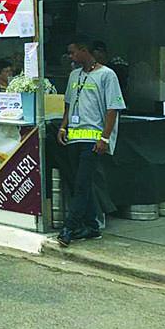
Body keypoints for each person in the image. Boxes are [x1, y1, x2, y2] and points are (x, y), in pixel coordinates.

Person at [56, 37, 126, 247]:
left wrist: (105, 138)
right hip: (74, 137)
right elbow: (69, 105)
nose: (70, 56)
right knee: (78, 182)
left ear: (84, 51)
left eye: (73, 52)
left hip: (93, 139)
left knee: (82, 184)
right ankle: (91, 226)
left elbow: (112, 108)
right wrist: (63, 126)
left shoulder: (107, 75)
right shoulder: (74, 75)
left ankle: (70, 227)